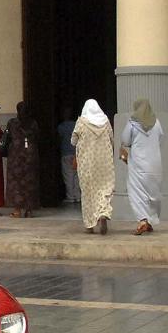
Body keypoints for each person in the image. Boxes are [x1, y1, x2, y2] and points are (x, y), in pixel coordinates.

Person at [120, 97, 163, 235]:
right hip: (154, 163)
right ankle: (150, 220)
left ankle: (143, 221)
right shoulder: (156, 123)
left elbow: (125, 140)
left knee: (136, 192)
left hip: (137, 163)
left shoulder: (132, 124)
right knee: (152, 193)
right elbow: (160, 137)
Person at [72, 98, 114, 234]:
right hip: (104, 162)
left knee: (88, 192)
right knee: (104, 189)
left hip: (87, 163)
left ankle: (90, 224)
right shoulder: (106, 121)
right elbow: (112, 139)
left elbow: (73, 141)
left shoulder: (81, 122)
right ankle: (102, 213)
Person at [4, 102, 41, 218]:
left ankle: (17, 209)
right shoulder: (33, 123)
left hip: (16, 156)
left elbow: (7, 137)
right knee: (30, 182)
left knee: (16, 183)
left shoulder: (12, 123)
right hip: (30, 155)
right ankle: (29, 210)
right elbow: (37, 137)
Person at [57, 104, 79, 204]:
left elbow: (59, 138)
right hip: (76, 153)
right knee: (76, 176)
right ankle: (77, 196)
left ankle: (70, 196)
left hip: (66, 153)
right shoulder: (76, 125)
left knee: (68, 175)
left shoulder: (61, 127)